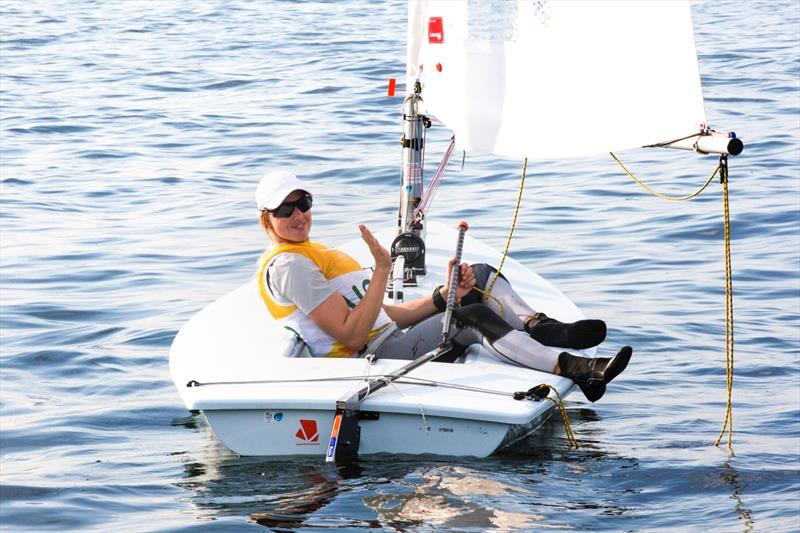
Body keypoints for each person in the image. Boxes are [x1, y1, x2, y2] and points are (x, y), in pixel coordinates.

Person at [255, 170, 632, 402]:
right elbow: (354, 337)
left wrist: (443, 295)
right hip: (371, 359)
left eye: (303, 203)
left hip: (389, 337)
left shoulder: (312, 253)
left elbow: (390, 315)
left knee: (479, 276)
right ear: (266, 220)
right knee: (472, 318)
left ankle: (546, 329)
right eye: (285, 210)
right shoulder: (291, 266)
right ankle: (577, 369)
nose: (298, 215)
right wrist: (384, 268)